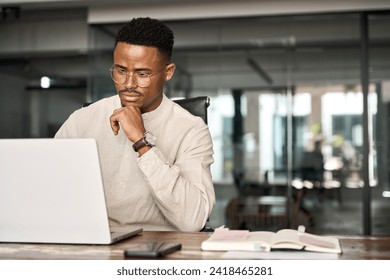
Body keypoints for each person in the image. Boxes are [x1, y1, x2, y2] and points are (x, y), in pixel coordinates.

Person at [55, 17, 215, 231]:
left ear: (168, 72)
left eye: (142, 74)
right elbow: (49, 190)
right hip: (93, 242)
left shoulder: (191, 130)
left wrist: (142, 142)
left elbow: (192, 220)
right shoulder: (82, 120)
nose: (128, 84)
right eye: (121, 71)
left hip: (159, 249)